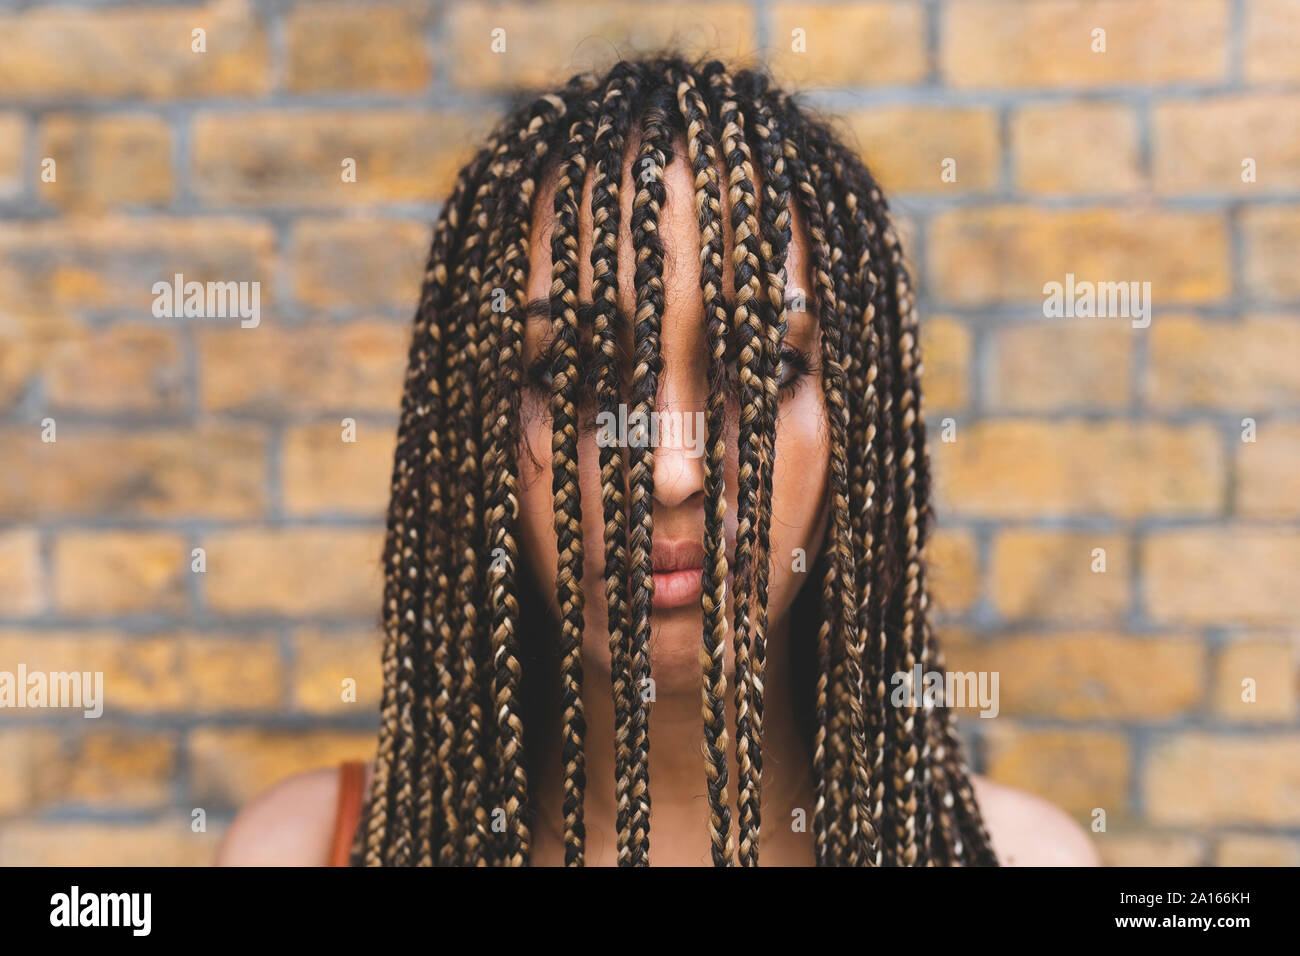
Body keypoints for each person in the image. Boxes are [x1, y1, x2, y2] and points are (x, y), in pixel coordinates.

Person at [218, 55, 1099, 867]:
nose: (672, 469)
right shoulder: (300, 853)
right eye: (577, 377)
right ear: (471, 430)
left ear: (859, 428)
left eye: (760, 368)